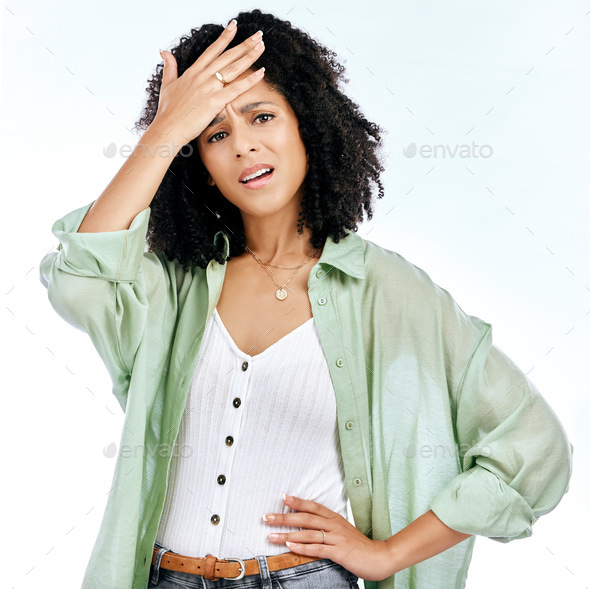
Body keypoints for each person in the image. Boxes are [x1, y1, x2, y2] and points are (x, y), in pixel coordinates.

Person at [38, 8, 574, 589]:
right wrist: (167, 131)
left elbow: (532, 446)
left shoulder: (388, 293)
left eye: (261, 116)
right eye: (215, 133)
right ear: (200, 163)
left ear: (308, 128)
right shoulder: (172, 284)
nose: (242, 145)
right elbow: (80, 280)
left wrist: (388, 554)